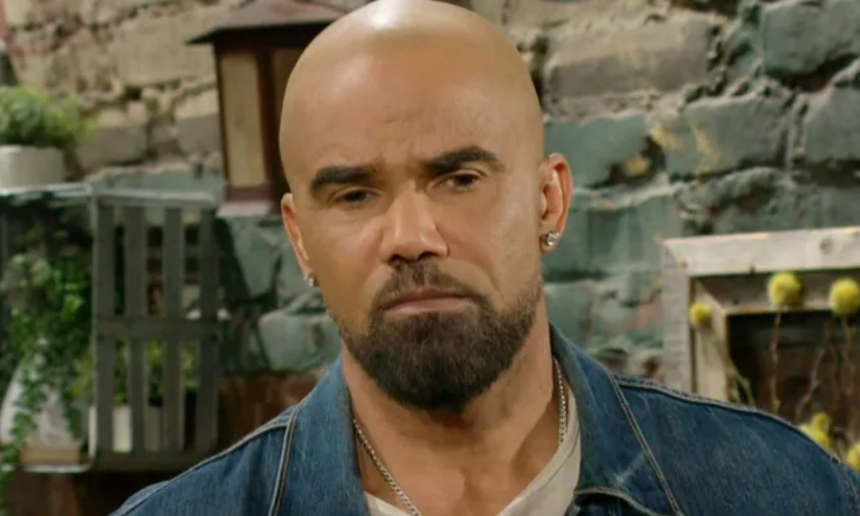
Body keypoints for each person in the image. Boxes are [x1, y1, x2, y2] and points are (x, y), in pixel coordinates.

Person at [114, 0, 860, 514]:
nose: (411, 235)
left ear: (548, 202)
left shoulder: (780, 492)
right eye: (355, 195)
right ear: (300, 238)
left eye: (459, 179)